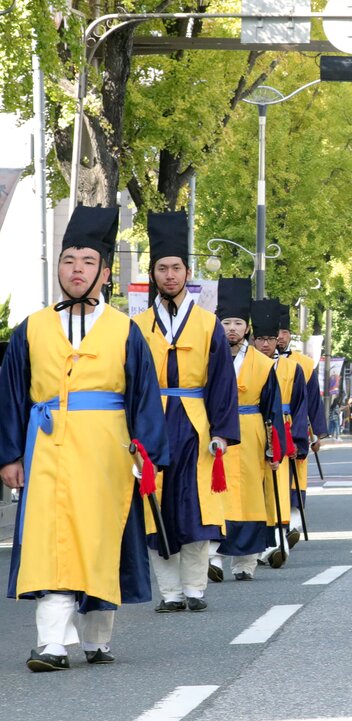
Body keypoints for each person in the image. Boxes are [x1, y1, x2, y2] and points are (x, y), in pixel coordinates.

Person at [0, 205, 168, 671]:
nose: (76, 270)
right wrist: (9, 453)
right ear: (58, 267)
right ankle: (51, 644)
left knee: (99, 539)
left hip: (106, 454)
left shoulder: (124, 331)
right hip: (46, 449)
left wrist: (148, 455)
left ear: (105, 272)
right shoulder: (31, 329)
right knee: (50, 540)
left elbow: (143, 397)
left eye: (87, 262)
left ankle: (96, 637)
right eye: (69, 260)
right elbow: (11, 395)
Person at [133, 211, 240, 613]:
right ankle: (170, 593)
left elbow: (221, 382)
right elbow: (131, 384)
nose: (170, 275)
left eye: (176, 267)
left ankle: (194, 589)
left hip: (195, 423)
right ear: (154, 274)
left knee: (195, 508)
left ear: (187, 271)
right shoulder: (139, 326)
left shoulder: (208, 324)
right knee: (155, 508)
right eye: (162, 268)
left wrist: (221, 431)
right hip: (153, 422)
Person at [209, 278, 282, 583]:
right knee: (215, 493)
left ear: (247, 328)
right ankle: (212, 556)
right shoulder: (207, 357)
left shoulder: (262, 365)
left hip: (251, 432)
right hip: (217, 434)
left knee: (251, 494)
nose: (233, 329)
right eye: (227, 322)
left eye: (239, 323)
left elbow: (273, 408)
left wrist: (274, 447)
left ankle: (245, 562)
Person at [252, 299, 307, 568]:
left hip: (280, 430)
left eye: (270, 339)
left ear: (278, 341)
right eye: (260, 338)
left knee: (277, 493)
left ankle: (279, 541)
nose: (265, 344)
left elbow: (301, 405)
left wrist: (297, 439)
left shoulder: (292, 368)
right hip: (248, 429)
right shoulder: (241, 365)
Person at [276, 305, 325, 539]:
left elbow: (313, 401)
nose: (279, 337)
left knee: (295, 479)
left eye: (284, 332)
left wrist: (315, 434)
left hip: (295, 426)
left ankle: (292, 524)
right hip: (267, 426)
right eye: (276, 332)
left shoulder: (304, 364)